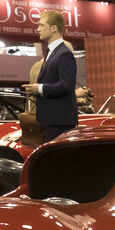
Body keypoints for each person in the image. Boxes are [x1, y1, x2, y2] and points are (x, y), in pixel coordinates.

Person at [22, 10, 77, 142]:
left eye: (42, 25)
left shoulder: (63, 54)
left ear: (53, 28)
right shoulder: (53, 53)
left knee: (58, 155)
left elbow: (67, 85)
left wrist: (39, 89)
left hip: (60, 122)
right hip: (52, 121)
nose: (38, 29)